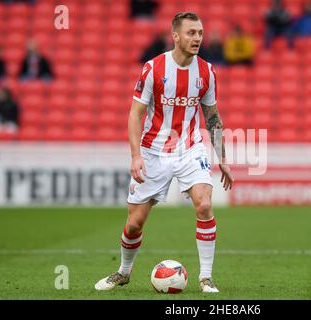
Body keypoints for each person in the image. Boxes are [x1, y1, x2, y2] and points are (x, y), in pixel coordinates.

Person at [94, 12, 234, 293]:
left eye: (200, 33)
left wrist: (224, 160)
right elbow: (136, 114)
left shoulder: (207, 72)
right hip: (153, 151)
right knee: (134, 224)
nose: (197, 38)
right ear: (176, 36)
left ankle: (205, 277)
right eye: (191, 33)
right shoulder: (153, 68)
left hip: (190, 148)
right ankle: (123, 272)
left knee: (204, 205)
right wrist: (135, 156)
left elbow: (213, 117)